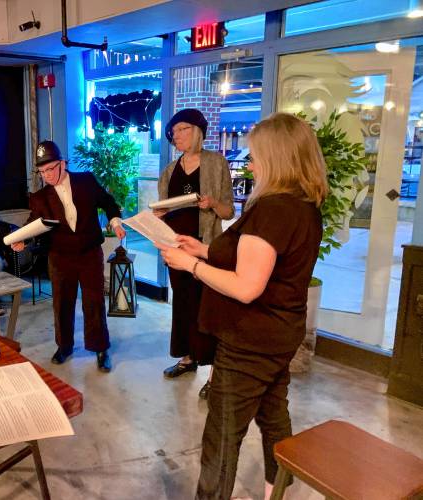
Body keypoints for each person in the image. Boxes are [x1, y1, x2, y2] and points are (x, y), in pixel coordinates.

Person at [157, 113, 327, 499]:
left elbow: (247, 287)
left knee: (221, 436)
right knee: (273, 415)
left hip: (249, 338)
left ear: (277, 158)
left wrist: (194, 265)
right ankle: (276, 489)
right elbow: (255, 260)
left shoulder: (271, 209)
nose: (249, 164)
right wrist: (202, 248)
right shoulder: (303, 205)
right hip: (280, 334)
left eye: (254, 155)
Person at [11, 140, 126, 373]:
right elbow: (34, 223)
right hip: (60, 256)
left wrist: (114, 222)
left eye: (50, 169)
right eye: (42, 171)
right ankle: (64, 346)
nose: (47, 175)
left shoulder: (86, 181)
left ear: (63, 163)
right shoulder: (40, 197)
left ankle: (100, 347)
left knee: (93, 301)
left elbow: (108, 202)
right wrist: (22, 238)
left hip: (89, 252)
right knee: (62, 302)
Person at [156, 109, 234, 393]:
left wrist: (212, 203)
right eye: (173, 132)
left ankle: (215, 374)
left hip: (205, 246)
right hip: (176, 247)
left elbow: (228, 211)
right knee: (184, 305)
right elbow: (162, 210)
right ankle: (188, 358)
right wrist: (154, 220)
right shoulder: (168, 171)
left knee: (209, 307)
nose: (175, 136)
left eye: (182, 129)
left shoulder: (216, 163)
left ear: (198, 131)